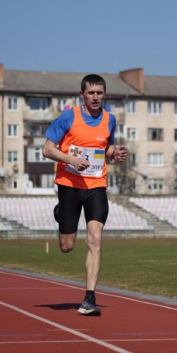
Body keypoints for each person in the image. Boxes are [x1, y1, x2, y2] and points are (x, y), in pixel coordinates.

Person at [43, 74, 127, 316]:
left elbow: (106, 146)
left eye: (100, 93)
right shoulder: (69, 117)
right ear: (82, 95)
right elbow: (47, 148)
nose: (96, 97)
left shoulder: (110, 119)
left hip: (96, 186)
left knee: (95, 238)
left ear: (104, 94)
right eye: (91, 93)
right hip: (69, 185)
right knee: (67, 246)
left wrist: (114, 154)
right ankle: (61, 213)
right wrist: (71, 159)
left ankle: (90, 297)